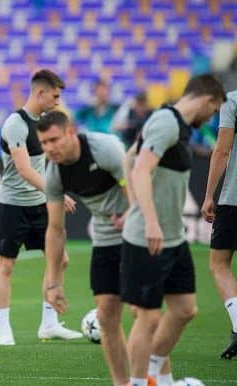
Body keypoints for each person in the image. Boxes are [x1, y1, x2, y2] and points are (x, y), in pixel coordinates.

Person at [120, 74, 225, 386]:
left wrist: (133, 204)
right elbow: (140, 168)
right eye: (215, 109)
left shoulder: (173, 125)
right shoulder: (166, 122)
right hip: (148, 238)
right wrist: (147, 218)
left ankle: (153, 372)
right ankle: (139, 382)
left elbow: (129, 158)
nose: (212, 117)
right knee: (148, 316)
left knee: (184, 309)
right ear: (208, 100)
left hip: (173, 237)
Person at [36, 110, 130, 385]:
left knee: (144, 313)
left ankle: (161, 378)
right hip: (104, 236)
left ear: (70, 132)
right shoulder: (53, 172)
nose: (49, 148)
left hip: (136, 233)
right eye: (43, 143)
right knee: (107, 316)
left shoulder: (106, 148)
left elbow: (136, 190)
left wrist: (131, 216)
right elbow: (55, 230)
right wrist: (53, 283)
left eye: (53, 140)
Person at [0, 69, 82, 346]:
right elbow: (24, 169)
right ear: (40, 92)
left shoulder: (44, 123)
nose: (57, 100)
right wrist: (56, 193)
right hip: (13, 205)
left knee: (59, 259)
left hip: (40, 204)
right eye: (55, 95)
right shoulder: (15, 124)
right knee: (5, 265)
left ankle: (49, 324)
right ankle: (5, 330)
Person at [201, 88, 237, 360]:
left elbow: (222, 151)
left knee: (219, 262)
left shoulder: (233, 100)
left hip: (234, 199)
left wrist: (208, 195)